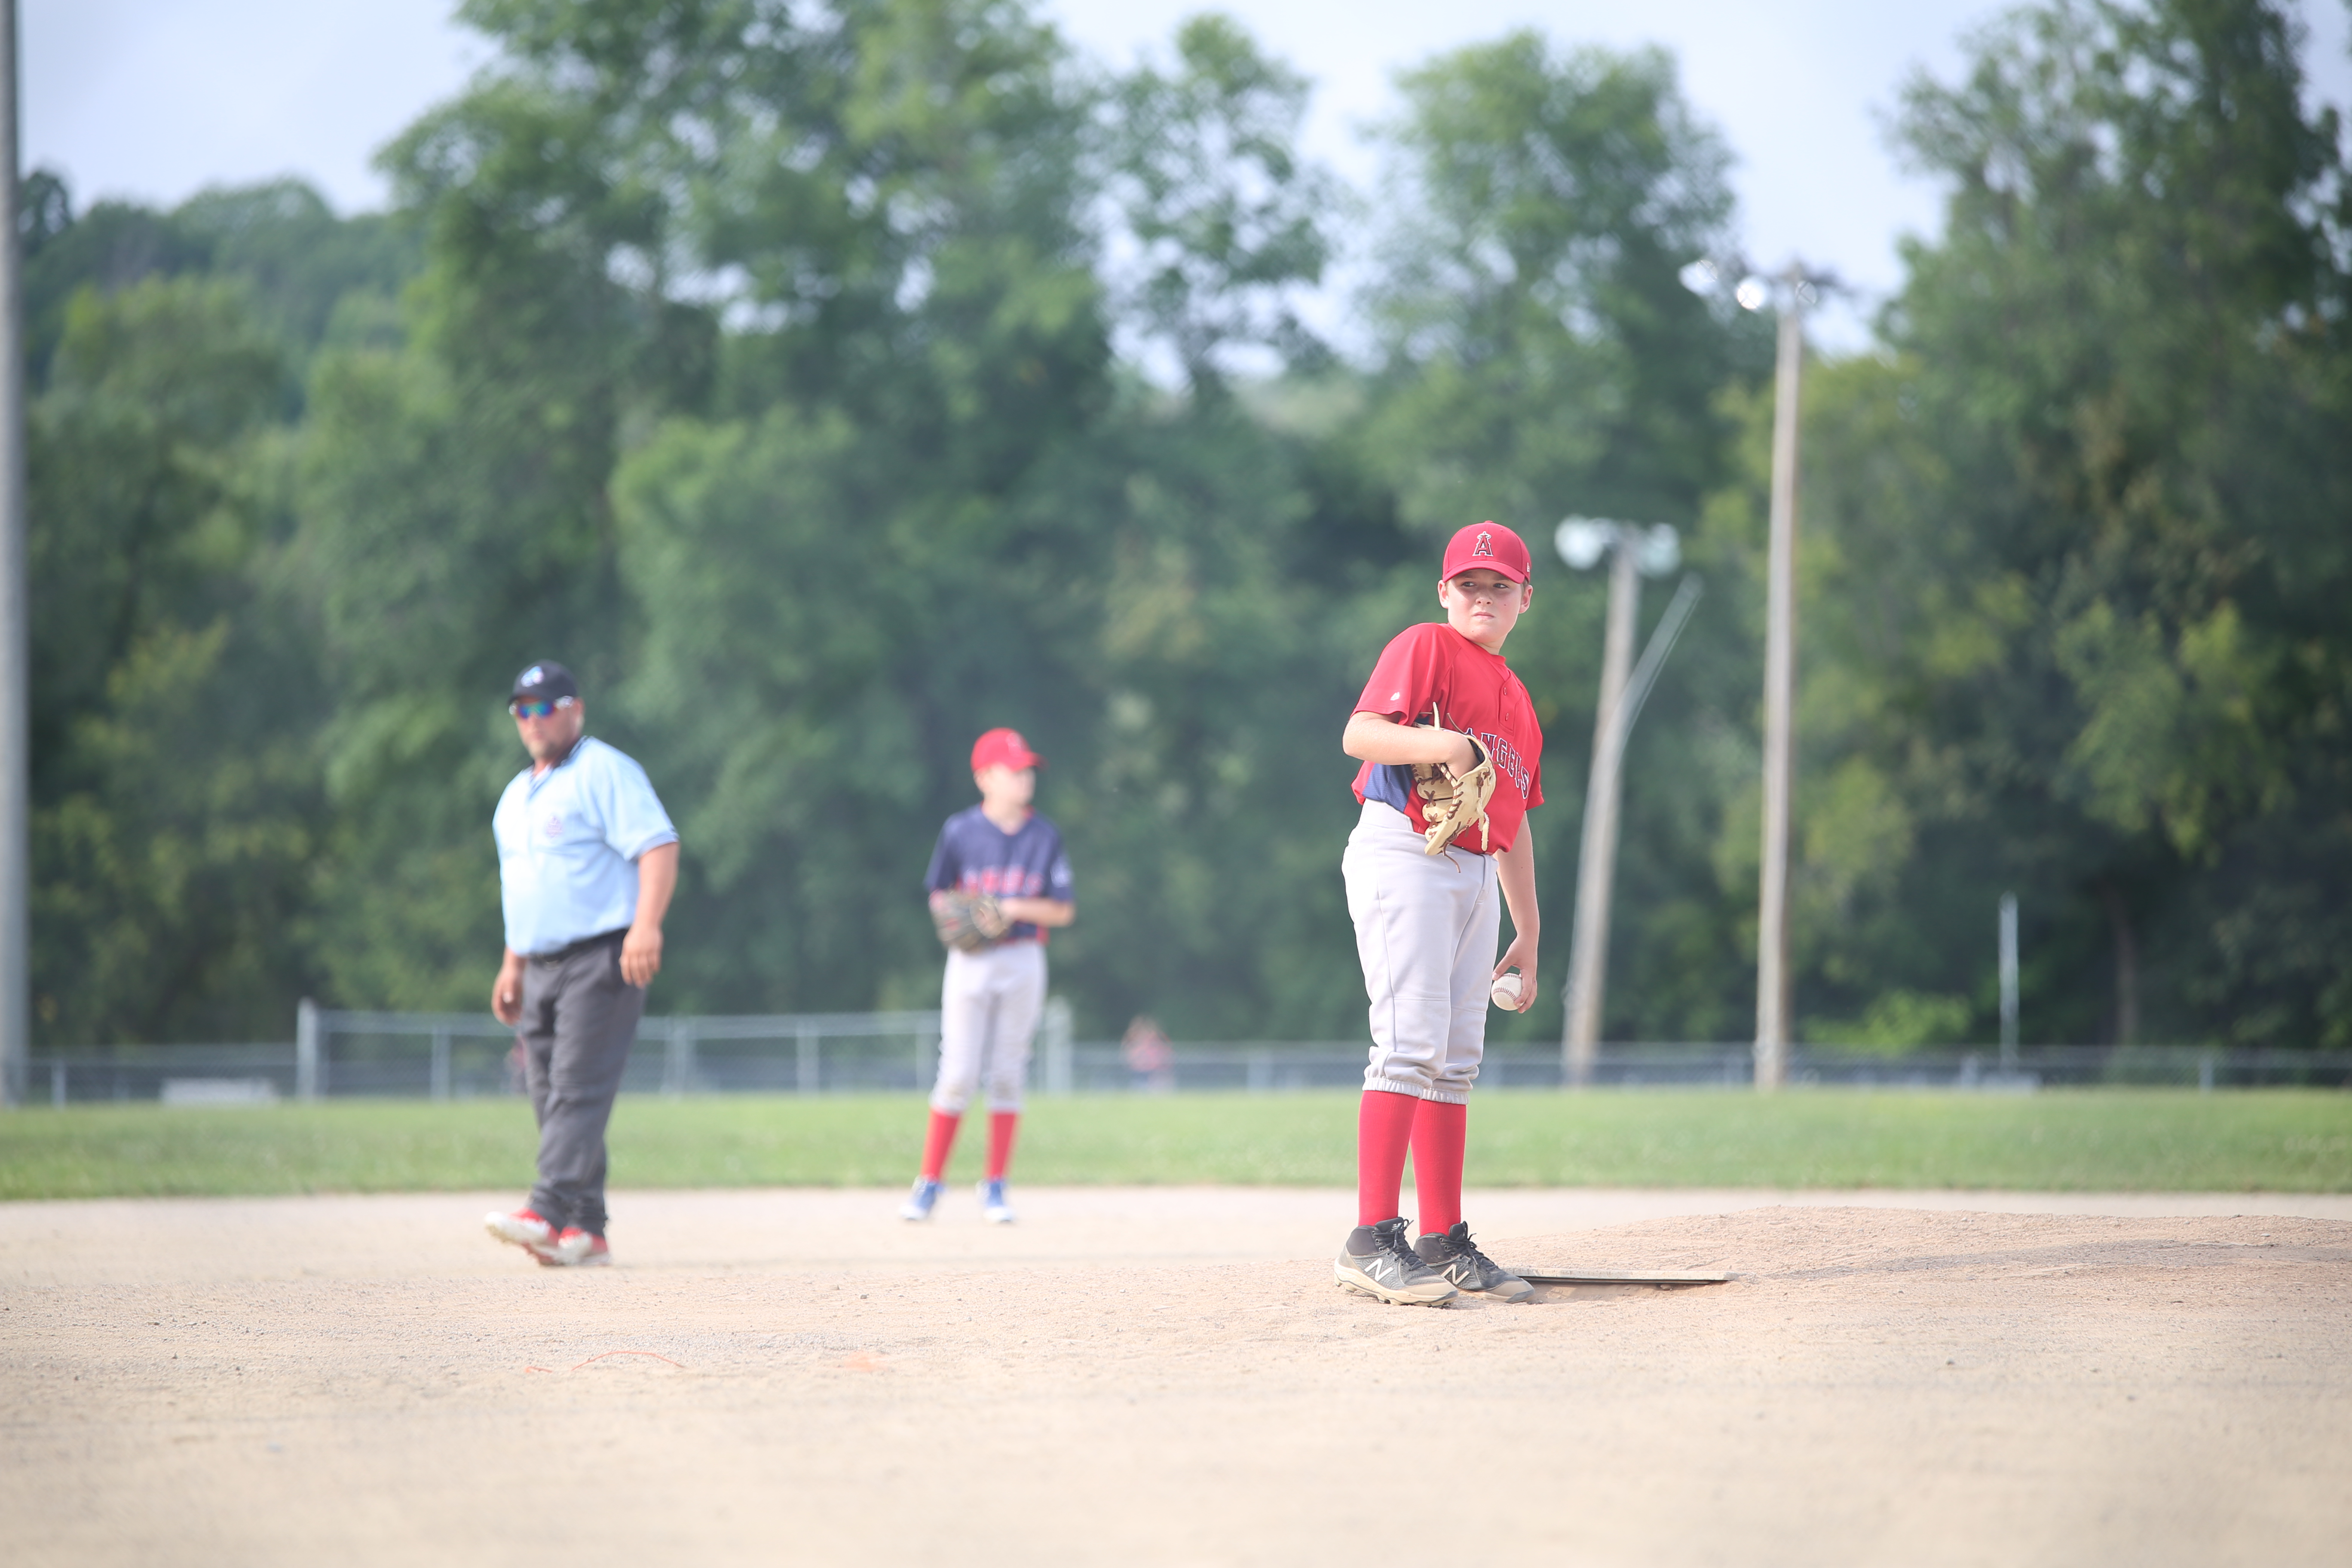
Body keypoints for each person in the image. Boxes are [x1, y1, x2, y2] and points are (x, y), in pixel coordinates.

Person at [1332, 522, 1546, 1306]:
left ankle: (1443, 1239)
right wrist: (1444, 743)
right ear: (1444, 593)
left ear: (1525, 598)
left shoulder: (1520, 703)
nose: (1483, 597)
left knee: (1455, 1060)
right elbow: (1359, 733)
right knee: (1408, 1045)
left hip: (1475, 869)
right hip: (1408, 850)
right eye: (1469, 585)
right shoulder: (1428, 644)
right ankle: (1369, 1240)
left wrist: (1528, 928)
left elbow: (1514, 821)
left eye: (1499, 586)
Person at [482, 661, 680, 1268]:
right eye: (522, 709)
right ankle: (586, 1227)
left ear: (575, 710)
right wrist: (512, 965)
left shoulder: (604, 771)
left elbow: (657, 845)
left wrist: (646, 925)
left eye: (546, 707)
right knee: (547, 1093)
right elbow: (524, 889)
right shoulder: (515, 798)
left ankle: (546, 1209)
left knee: (576, 1088)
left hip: (601, 955)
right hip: (539, 962)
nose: (533, 720)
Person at [900, 728, 1075, 1225]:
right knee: (957, 1074)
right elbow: (939, 895)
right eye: (1013, 770)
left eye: (1027, 770)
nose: (1025, 778)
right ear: (984, 778)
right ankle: (930, 1182)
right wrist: (961, 919)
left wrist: (1012, 907)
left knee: (1007, 1072)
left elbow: (1062, 911)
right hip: (972, 961)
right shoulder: (960, 831)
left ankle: (995, 1185)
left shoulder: (1045, 836)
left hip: (1023, 958)